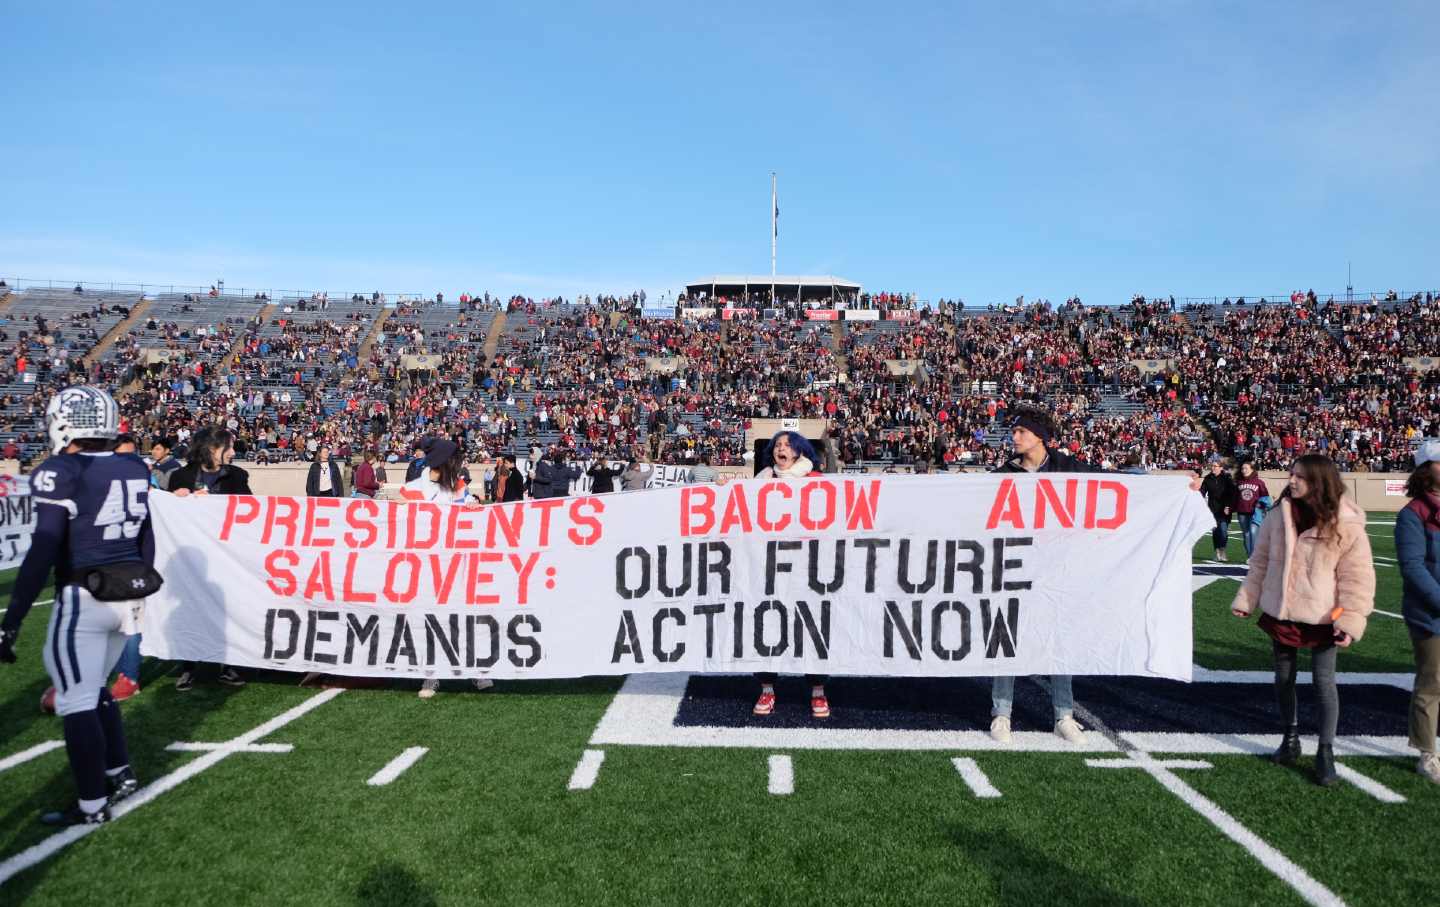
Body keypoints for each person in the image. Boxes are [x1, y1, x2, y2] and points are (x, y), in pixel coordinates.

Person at [0, 386, 151, 825]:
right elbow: (146, 537)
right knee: (97, 688)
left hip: (83, 596)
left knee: (76, 700)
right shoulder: (133, 465)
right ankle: (119, 771)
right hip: (127, 592)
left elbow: (44, 548)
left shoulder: (60, 469)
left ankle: (91, 804)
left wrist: (12, 622)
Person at [1230, 453, 1375, 786]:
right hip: (1281, 610)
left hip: (1325, 615)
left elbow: (1357, 577)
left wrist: (1349, 619)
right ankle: (1290, 738)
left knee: (1324, 683)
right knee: (1283, 678)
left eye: (1300, 477)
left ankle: (1326, 752)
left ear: (1320, 481)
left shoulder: (1346, 521)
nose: (1292, 481)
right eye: (1291, 475)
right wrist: (1247, 599)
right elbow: (1260, 562)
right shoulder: (1277, 515)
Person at [988, 408, 1091, 745]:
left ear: (1039, 436)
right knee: (1007, 641)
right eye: (1013, 432)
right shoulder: (1003, 473)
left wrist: (1175, 483)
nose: (1014, 437)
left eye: (1020, 432)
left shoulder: (1067, 468)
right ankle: (1001, 714)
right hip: (1014, 568)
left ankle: (1064, 715)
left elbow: (1118, 482)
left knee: (1059, 642)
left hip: (1057, 571)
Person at [401, 439, 492, 698]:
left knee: (464, 617)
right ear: (444, 463)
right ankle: (431, 675)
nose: (460, 467)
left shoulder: (457, 487)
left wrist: (473, 505)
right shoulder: (412, 489)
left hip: (457, 564)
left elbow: (467, 508)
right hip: (426, 567)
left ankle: (475, 670)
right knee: (430, 620)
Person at [751, 430, 831, 720]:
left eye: (787, 445)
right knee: (766, 626)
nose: (780, 449)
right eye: (777, 445)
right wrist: (723, 489)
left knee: (813, 627)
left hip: (809, 569)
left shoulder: (817, 482)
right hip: (771, 569)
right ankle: (767, 687)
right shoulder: (761, 482)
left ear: (800, 452)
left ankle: (818, 690)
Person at [169, 428, 251, 691]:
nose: (234, 451)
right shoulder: (181, 476)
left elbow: (249, 510)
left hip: (227, 557)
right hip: (192, 560)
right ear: (213, 448)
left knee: (227, 611)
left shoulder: (237, 476)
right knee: (191, 611)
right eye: (229, 446)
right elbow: (169, 516)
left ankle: (228, 665)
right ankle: (188, 667)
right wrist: (178, 500)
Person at [1397, 439, 1440, 784]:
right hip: (1431, 614)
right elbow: (1412, 567)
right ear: (1426, 470)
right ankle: (1428, 753)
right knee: (1432, 682)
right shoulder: (1412, 514)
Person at [1199, 458, 1238, 562]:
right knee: (1216, 531)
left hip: (1225, 508)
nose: (1213, 468)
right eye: (1212, 466)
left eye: (1215, 466)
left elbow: (1232, 493)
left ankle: (1222, 550)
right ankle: (1217, 551)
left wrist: (1228, 506)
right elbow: (1202, 492)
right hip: (1212, 509)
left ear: (1221, 468)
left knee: (1224, 531)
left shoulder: (1227, 478)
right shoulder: (1207, 478)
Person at [1233, 460, 1271, 559]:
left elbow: (1265, 496)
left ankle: (1255, 556)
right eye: (1242, 468)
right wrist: (1231, 507)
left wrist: (1262, 504)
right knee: (1246, 534)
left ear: (1252, 470)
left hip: (1255, 513)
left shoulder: (1259, 482)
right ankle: (1250, 556)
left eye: (1246, 468)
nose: (1243, 470)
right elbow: (1235, 497)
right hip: (1242, 512)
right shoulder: (1239, 482)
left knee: (1253, 532)